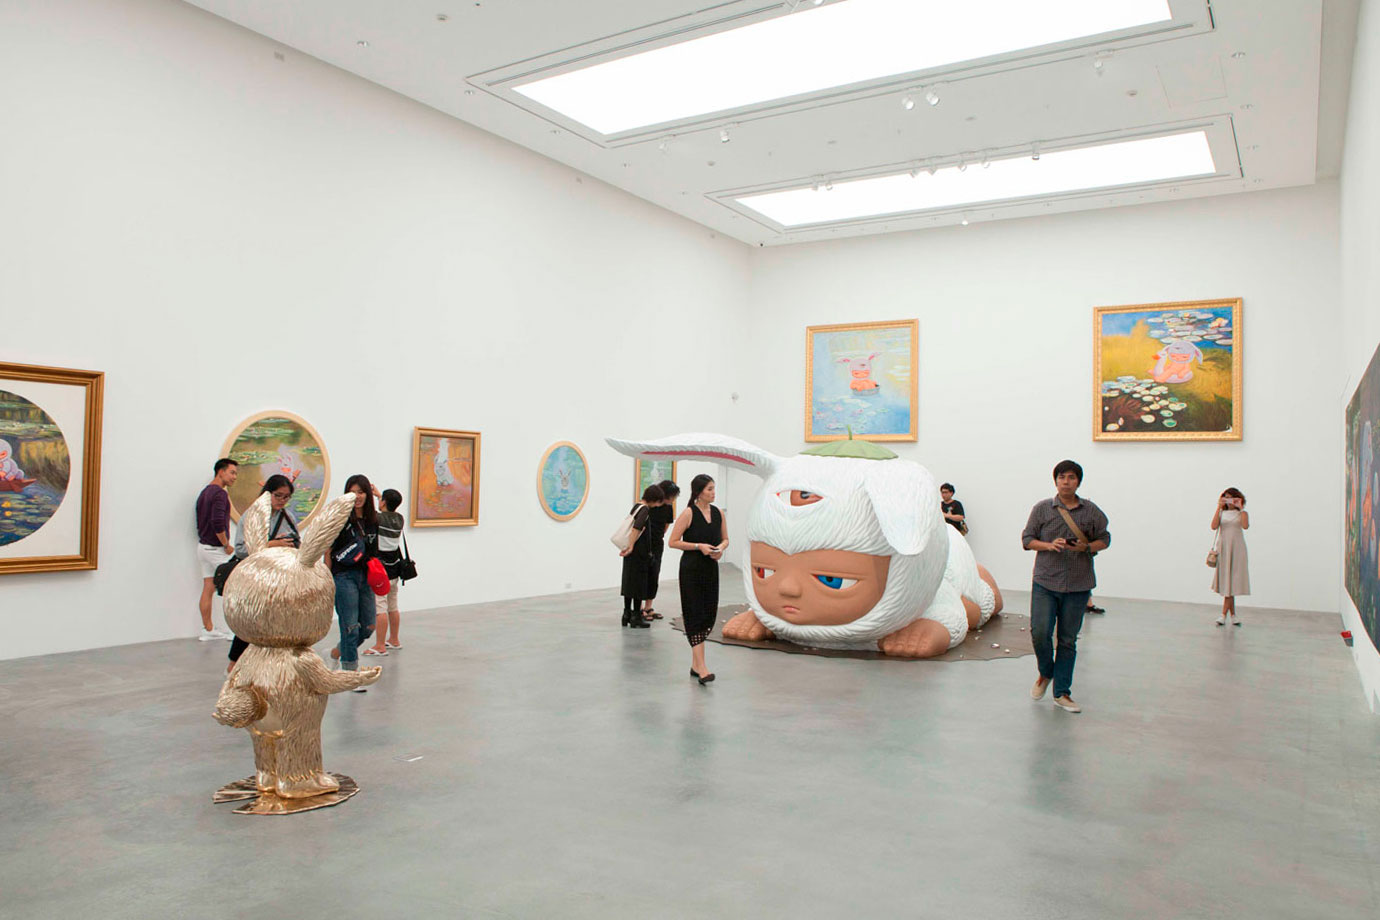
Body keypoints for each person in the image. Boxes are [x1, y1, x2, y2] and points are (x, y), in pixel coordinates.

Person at [1021, 460, 1111, 714]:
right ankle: (1046, 672)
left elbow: (1105, 538)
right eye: (1062, 477)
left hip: (1078, 584)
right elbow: (1027, 539)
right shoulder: (1042, 509)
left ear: (1078, 482)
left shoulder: (1091, 511)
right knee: (1040, 632)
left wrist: (1085, 547)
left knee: (1068, 640)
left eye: (1071, 477)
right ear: (1056, 481)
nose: (1066, 482)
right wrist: (1049, 546)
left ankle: (1062, 692)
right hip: (1045, 580)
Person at [224, 475, 301, 671]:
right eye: (278, 495)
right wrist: (272, 544)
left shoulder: (288, 517)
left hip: (281, 577)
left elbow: (298, 543)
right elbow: (241, 549)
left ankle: (272, 667)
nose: (282, 500)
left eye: (286, 497)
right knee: (251, 621)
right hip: (256, 577)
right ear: (268, 493)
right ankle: (234, 664)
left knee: (278, 622)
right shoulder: (252, 516)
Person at [668, 474, 728, 684]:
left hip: (710, 569)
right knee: (694, 613)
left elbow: (725, 539)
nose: (713, 493)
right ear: (699, 492)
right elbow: (673, 542)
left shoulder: (718, 513)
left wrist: (720, 549)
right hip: (691, 570)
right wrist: (697, 546)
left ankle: (695, 665)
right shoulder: (688, 513)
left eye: (714, 488)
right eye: (709, 489)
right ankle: (702, 668)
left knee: (708, 613)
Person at [329, 475, 378, 686]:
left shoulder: (373, 520)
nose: (357, 496)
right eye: (352, 492)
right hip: (344, 575)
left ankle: (337, 652)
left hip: (366, 577)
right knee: (350, 627)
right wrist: (327, 576)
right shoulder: (340, 518)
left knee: (368, 626)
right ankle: (350, 674)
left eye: (361, 492)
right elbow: (328, 548)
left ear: (367, 494)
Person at [195, 458, 238, 641]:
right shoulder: (220, 494)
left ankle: (208, 629)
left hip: (203, 547)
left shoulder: (205, 492)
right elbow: (217, 522)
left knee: (209, 587)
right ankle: (235, 630)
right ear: (221, 472)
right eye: (232, 472)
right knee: (235, 584)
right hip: (215, 549)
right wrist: (226, 544)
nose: (234, 477)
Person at [366, 489, 406, 654]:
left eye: (381, 499)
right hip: (395, 569)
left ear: (383, 502)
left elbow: (371, 512)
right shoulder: (399, 519)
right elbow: (387, 506)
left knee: (380, 608)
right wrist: (378, 495)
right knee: (393, 606)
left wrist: (372, 494)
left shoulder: (379, 519)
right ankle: (394, 640)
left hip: (381, 571)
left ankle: (380, 645)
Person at [620, 484, 664, 628]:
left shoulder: (636, 506)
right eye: (658, 502)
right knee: (639, 584)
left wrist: (628, 546)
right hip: (638, 553)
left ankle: (626, 614)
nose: (658, 505)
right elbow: (636, 528)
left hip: (630, 552)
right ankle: (636, 617)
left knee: (629, 583)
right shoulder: (644, 509)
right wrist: (632, 546)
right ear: (654, 499)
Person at [641, 480, 680, 621]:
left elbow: (666, 526)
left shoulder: (668, 508)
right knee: (642, 575)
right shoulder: (650, 505)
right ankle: (639, 608)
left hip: (657, 544)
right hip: (644, 543)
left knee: (654, 574)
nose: (673, 500)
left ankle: (648, 607)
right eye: (672, 497)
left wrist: (658, 537)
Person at [1211, 487, 1250, 626]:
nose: (1228, 501)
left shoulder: (1242, 514)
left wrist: (1241, 508)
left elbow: (1245, 526)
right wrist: (1218, 507)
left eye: (1231, 498)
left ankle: (1223, 615)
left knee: (1232, 581)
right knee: (1227, 582)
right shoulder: (1221, 513)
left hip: (1237, 549)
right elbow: (1213, 526)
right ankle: (1232, 616)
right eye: (1226, 497)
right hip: (1224, 548)